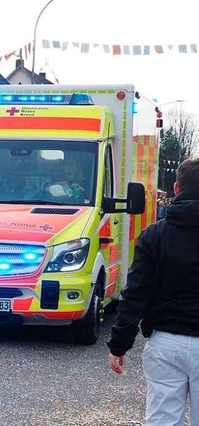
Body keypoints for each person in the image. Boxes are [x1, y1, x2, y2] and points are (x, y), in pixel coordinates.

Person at [107, 158, 199, 425]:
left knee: (162, 420)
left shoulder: (153, 236)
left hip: (166, 343)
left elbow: (135, 294)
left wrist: (119, 344)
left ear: (175, 189)